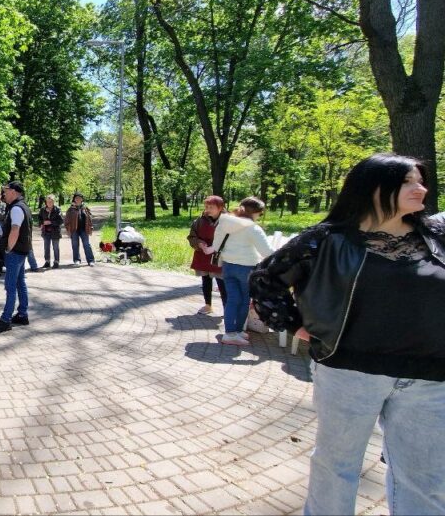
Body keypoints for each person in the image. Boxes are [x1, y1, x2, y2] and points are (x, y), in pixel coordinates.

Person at [250, 153, 445, 516]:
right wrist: (296, 327)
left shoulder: (436, 236)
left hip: (430, 379)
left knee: (426, 478)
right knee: (336, 467)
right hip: (349, 372)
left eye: (421, 181)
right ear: (372, 186)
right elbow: (265, 280)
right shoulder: (326, 239)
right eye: (409, 182)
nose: (422, 189)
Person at [201, 196, 272, 346]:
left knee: (232, 299)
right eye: (260, 214)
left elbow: (216, 245)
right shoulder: (253, 228)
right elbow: (267, 252)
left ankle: (230, 332)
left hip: (227, 266)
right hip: (246, 267)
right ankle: (236, 331)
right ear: (256, 213)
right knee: (244, 300)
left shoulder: (225, 223)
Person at [0, 182, 33, 333]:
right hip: (22, 251)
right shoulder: (23, 206)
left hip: (15, 253)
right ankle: (22, 314)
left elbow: (15, 230)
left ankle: (5, 320)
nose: (3, 194)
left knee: (10, 286)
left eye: (6, 191)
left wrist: (8, 248)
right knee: (20, 283)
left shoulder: (16, 208)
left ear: (14, 192)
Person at [187, 195, 228, 315]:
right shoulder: (199, 221)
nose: (208, 209)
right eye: (206, 206)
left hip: (220, 256)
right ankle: (208, 305)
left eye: (211, 207)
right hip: (203, 255)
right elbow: (192, 236)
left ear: (220, 207)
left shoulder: (228, 221)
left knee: (222, 283)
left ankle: (227, 308)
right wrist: (199, 243)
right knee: (206, 280)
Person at [65, 192, 95, 266]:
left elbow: (90, 219)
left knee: (87, 244)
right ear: (74, 199)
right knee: (75, 245)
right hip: (74, 230)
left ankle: (91, 260)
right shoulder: (71, 209)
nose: (78, 199)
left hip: (84, 229)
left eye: (79, 198)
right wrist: (68, 230)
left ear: (82, 199)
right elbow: (66, 220)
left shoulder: (85, 208)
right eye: (76, 198)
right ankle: (77, 260)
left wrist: (91, 227)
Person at [39, 195, 63, 269]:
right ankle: (47, 261)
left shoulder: (57, 209)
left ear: (54, 202)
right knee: (46, 247)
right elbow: (39, 218)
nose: (49, 203)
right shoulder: (43, 209)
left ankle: (56, 262)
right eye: (48, 201)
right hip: (46, 232)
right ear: (46, 202)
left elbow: (60, 220)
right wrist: (42, 223)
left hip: (55, 232)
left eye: (51, 201)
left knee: (55, 247)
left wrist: (50, 222)